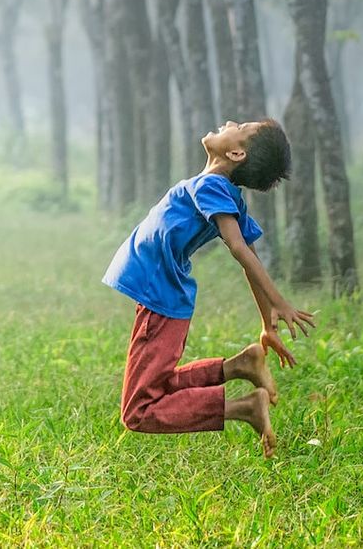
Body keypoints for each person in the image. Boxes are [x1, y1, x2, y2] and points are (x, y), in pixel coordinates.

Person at [103, 120, 316, 458]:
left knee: (138, 410)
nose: (230, 122)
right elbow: (250, 253)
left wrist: (278, 303)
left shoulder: (213, 186)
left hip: (160, 297)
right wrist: (266, 324)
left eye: (241, 126)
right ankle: (240, 366)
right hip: (161, 295)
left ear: (236, 152)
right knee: (156, 387)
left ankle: (245, 408)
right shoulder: (220, 189)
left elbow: (240, 247)